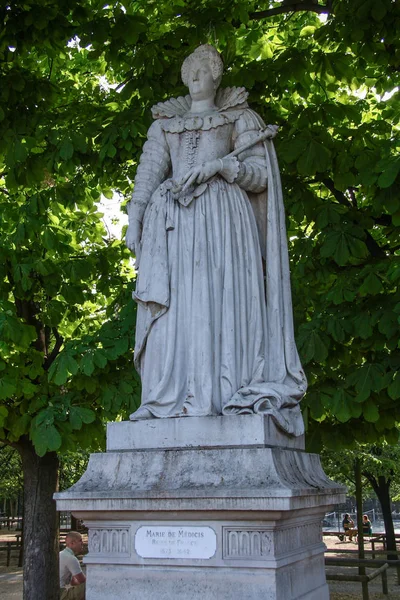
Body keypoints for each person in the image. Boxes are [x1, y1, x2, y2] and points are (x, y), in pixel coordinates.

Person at [126, 45, 307, 435]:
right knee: (174, 313)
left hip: (223, 225)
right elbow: (147, 176)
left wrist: (227, 166)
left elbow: (260, 176)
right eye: (189, 70)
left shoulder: (239, 119)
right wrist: (134, 219)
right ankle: (164, 398)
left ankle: (221, 393)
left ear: (216, 77)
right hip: (172, 224)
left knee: (216, 303)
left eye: (203, 71)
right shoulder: (163, 125)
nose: (195, 77)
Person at [59, 531, 86, 600]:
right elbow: (82, 581)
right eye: (80, 541)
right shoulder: (71, 558)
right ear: (72, 543)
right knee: (90, 584)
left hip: (56, 590)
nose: (82, 543)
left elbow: (74, 581)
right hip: (61, 593)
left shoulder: (61, 553)